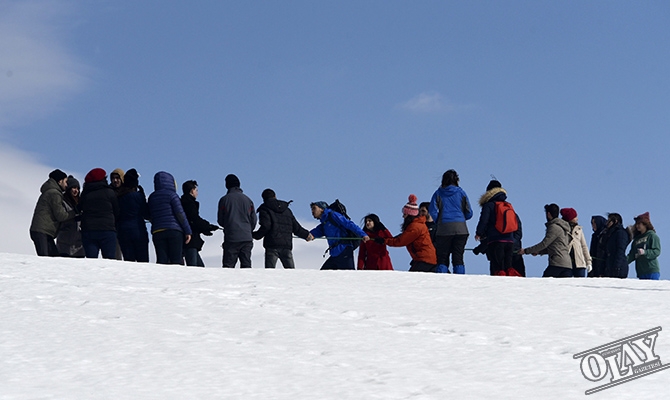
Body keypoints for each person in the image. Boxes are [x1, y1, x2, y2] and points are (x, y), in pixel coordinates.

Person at [252, 188, 313, 269]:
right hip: (286, 245)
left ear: (263, 199)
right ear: (275, 196)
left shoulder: (265, 209)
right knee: (291, 273)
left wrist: (255, 235)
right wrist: (307, 235)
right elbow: (296, 228)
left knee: (270, 273)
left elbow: (266, 226)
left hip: (272, 245)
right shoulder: (287, 210)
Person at [428, 169, 473, 274]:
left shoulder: (438, 193)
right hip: (461, 229)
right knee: (458, 257)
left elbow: (432, 210)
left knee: (443, 257)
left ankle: (442, 279)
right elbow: (469, 212)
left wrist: (439, 220)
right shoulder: (461, 192)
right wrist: (461, 218)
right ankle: (460, 279)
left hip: (444, 229)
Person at [378, 194, 437, 272]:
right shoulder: (417, 225)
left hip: (424, 259)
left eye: (405, 214)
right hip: (425, 259)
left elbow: (401, 241)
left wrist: (385, 241)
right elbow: (401, 237)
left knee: (411, 280)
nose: (403, 217)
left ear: (410, 215)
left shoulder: (415, 227)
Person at [474, 179, 520, 276]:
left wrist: (479, 233)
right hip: (510, 241)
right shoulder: (508, 205)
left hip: (495, 241)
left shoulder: (489, 205)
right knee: (509, 267)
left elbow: (483, 220)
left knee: (498, 269)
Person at [309, 201, 369, 270]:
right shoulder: (324, 223)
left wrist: (363, 234)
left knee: (349, 276)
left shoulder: (333, 215)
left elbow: (349, 224)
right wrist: (306, 235)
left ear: (321, 209)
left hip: (344, 250)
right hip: (335, 253)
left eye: (314, 208)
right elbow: (314, 232)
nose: (312, 211)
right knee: (323, 275)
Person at [148, 171, 192, 265]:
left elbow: (148, 214)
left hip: (157, 232)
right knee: (176, 260)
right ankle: (176, 279)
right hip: (174, 231)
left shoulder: (152, 197)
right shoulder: (172, 195)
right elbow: (180, 214)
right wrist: (187, 231)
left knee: (162, 260)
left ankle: (162, 279)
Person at [29, 169, 76, 256]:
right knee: (46, 260)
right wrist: (74, 213)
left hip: (43, 231)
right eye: (65, 182)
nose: (67, 185)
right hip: (42, 231)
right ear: (59, 181)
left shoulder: (50, 192)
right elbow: (61, 215)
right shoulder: (54, 193)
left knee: (53, 259)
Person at [518, 204, 572, 278]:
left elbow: (544, 244)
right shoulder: (563, 228)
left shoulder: (554, 227)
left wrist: (526, 251)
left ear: (548, 214)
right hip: (567, 265)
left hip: (557, 264)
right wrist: (539, 252)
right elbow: (557, 247)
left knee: (545, 285)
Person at [217, 174, 257, 268]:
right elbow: (253, 220)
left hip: (231, 237)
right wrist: (248, 230)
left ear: (227, 185)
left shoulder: (224, 200)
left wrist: (228, 225)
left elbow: (220, 220)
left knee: (228, 266)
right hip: (246, 237)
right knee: (246, 265)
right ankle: (247, 283)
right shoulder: (248, 200)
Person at [79, 168, 119, 259]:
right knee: (109, 260)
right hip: (107, 229)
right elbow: (117, 210)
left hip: (89, 230)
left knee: (91, 260)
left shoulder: (85, 194)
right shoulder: (109, 192)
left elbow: (79, 208)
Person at [181, 180, 219, 267]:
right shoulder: (189, 203)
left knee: (199, 267)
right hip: (190, 239)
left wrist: (205, 228)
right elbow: (194, 220)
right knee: (194, 267)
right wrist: (208, 226)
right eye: (196, 190)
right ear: (191, 191)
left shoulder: (184, 202)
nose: (197, 193)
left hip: (190, 237)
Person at [116, 169, 150, 262]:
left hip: (123, 231)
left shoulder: (119, 197)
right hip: (139, 231)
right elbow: (146, 213)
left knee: (129, 262)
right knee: (143, 262)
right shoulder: (139, 196)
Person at [627, 212, 661, 280]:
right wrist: (623, 262)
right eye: (636, 224)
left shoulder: (652, 236)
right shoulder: (636, 240)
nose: (637, 226)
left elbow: (657, 251)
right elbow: (632, 255)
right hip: (641, 272)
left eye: (639, 224)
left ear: (645, 224)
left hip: (651, 270)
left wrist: (645, 252)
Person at [56, 175, 85, 257]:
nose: (76, 190)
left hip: (79, 245)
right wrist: (74, 216)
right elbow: (61, 217)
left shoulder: (81, 203)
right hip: (64, 243)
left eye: (77, 188)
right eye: (73, 188)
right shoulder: (62, 201)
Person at [560, 208, 592, 278]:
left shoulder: (579, 229)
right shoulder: (561, 230)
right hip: (566, 263)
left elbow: (584, 246)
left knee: (580, 285)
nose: (577, 219)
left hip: (580, 263)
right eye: (575, 217)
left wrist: (588, 262)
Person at [602, 213, 630, 279]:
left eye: (609, 221)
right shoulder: (610, 233)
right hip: (610, 266)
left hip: (619, 268)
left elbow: (620, 250)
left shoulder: (621, 233)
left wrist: (617, 266)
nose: (607, 223)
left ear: (615, 221)